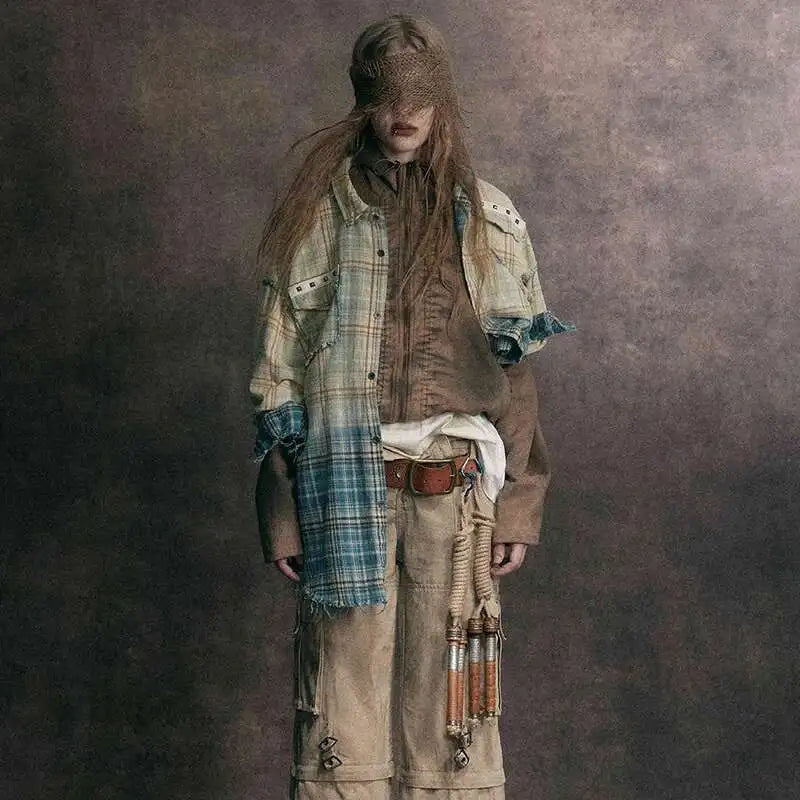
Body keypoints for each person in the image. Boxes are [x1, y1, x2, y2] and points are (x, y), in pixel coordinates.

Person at [249, 14, 573, 800]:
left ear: (442, 100)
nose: (404, 113)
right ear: (364, 98)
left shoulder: (485, 219)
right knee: (338, 718)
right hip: (340, 489)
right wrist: (283, 508)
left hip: (453, 499)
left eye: (420, 96)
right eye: (387, 95)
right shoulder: (317, 215)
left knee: (454, 721)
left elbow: (515, 372)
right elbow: (280, 372)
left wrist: (519, 503)